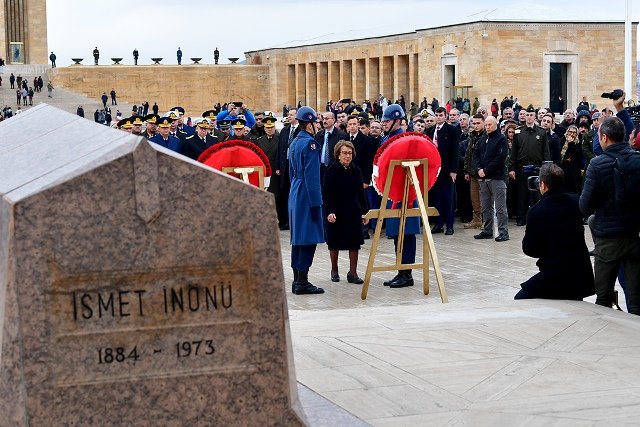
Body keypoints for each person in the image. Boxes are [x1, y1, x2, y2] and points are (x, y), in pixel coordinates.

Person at [580, 112, 640, 314]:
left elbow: (585, 206)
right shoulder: (638, 160)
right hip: (634, 235)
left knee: (603, 298)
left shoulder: (597, 164)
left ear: (604, 137)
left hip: (608, 238)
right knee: (636, 299)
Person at [515, 163, 595, 300]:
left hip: (554, 275)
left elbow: (529, 249)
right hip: (580, 274)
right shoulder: (576, 201)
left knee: (520, 298)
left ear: (543, 185)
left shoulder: (536, 211)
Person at [288, 106, 325, 295]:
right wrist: (316, 203)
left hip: (295, 190)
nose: (318, 125)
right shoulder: (311, 145)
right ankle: (303, 281)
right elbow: (313, 178)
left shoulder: (295, 142)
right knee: (308, 238)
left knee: (298, 239)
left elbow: (290, 172)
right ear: (309, 124)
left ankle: (297, 280)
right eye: (316, 122)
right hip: (306, 193)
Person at [322, 140, 369, 284]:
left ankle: (353, 272)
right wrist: (329, 211)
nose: (347, 156)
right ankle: (334, 270)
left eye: (349, 153)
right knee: (334, 241)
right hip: (336, 211)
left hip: (353, 210)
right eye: (344, 153)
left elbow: (361, 193)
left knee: (354, 242)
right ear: (338, 154)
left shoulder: (356, 170)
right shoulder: (330, 171)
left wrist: (365, 212)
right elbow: (326, 193)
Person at [509, 105, 549, 226]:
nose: (529, 117)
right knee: (522, 194)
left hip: (537, 168)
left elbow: (546, 152)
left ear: (535, 116)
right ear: (524, 116)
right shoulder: (518, 131)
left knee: (537, 194)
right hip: (522, 167)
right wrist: (511, 168)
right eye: (527, 115)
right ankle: (521, 218)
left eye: (531, 115)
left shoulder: (541, 132)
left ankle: (538, 218)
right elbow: (514, 152)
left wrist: (546, 168)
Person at [472, 116, 509, 242]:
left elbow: (500, 158)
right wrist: (478, 169)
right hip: (483, 178)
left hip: (496, 177)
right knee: (486, 206)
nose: (487, 127)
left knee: (500, 207)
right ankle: (487, 230)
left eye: (489, 125)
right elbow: (475, 155)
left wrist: (486, 170)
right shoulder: (482, 139)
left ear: (496, 125)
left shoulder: (501, 139)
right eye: (486, 125)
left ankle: (503, 231)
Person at [427, 107, 461, 235]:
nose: (438, 117)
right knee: (436, 198)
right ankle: (439, 224)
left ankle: (450, 225)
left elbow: (455, 151)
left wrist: (453, 170)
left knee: (448, 198)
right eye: (437, 115)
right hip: (434, 170)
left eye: (441, 115)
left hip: (447, 170)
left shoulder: (451, 130)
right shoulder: (430, 130)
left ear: (445, 116)